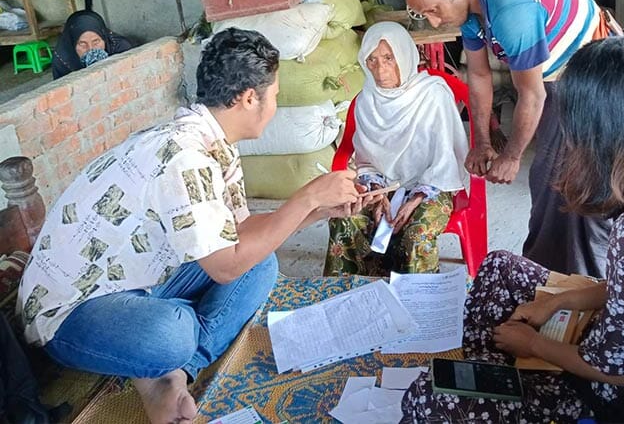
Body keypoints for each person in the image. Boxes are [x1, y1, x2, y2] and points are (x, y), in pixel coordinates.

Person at [17, 28, 364, 424]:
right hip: (70, 312)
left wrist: (316, 211)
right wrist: (307, 196)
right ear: (250, 97)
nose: (275, 105)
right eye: (276, 96)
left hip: (140, 282)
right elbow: (225, 266)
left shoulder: (215, 142)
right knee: (171, 333)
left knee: (262, 265)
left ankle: (176, 375)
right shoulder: (185, 155)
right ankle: (172, 356)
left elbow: (241, 236)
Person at [400, 36, 624, 422]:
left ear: (605, 129)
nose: (566, 132)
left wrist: (536, 345)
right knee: (499, 266)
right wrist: (556, 302)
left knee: (427, 397)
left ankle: (502, 379)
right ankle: (496, 368)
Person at [395, 0, 620, 277]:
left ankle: (567, 281)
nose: (432, 21)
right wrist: (483, 141)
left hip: (596, 77)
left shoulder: (510, 9)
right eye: (422, 15)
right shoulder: (470, 9)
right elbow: (480, 77)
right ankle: (550, 277)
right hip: (559, 78)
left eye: (432, 10)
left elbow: (532, 93)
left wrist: (512, 155)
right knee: (551, 182)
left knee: (561, 184)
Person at [324, 21, 470, 276]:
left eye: (389, 58)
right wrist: (377, 194)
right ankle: (351, 296)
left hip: (431, 187)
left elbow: (446, 159)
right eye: (372, 60)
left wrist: (414, 200)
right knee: (344, 220)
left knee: (416, 234)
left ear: (404, 55)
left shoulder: (433, 95)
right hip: (382, 185)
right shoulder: (367, 99)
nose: (380, 70)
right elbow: (366, 161)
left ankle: (418, 304)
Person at [51, 10, 133, 79]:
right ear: (72, 43)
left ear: (104, 38)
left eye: (96, 41)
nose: (91, 49)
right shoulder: (62, 60)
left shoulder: (120, 47)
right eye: (82, 44)